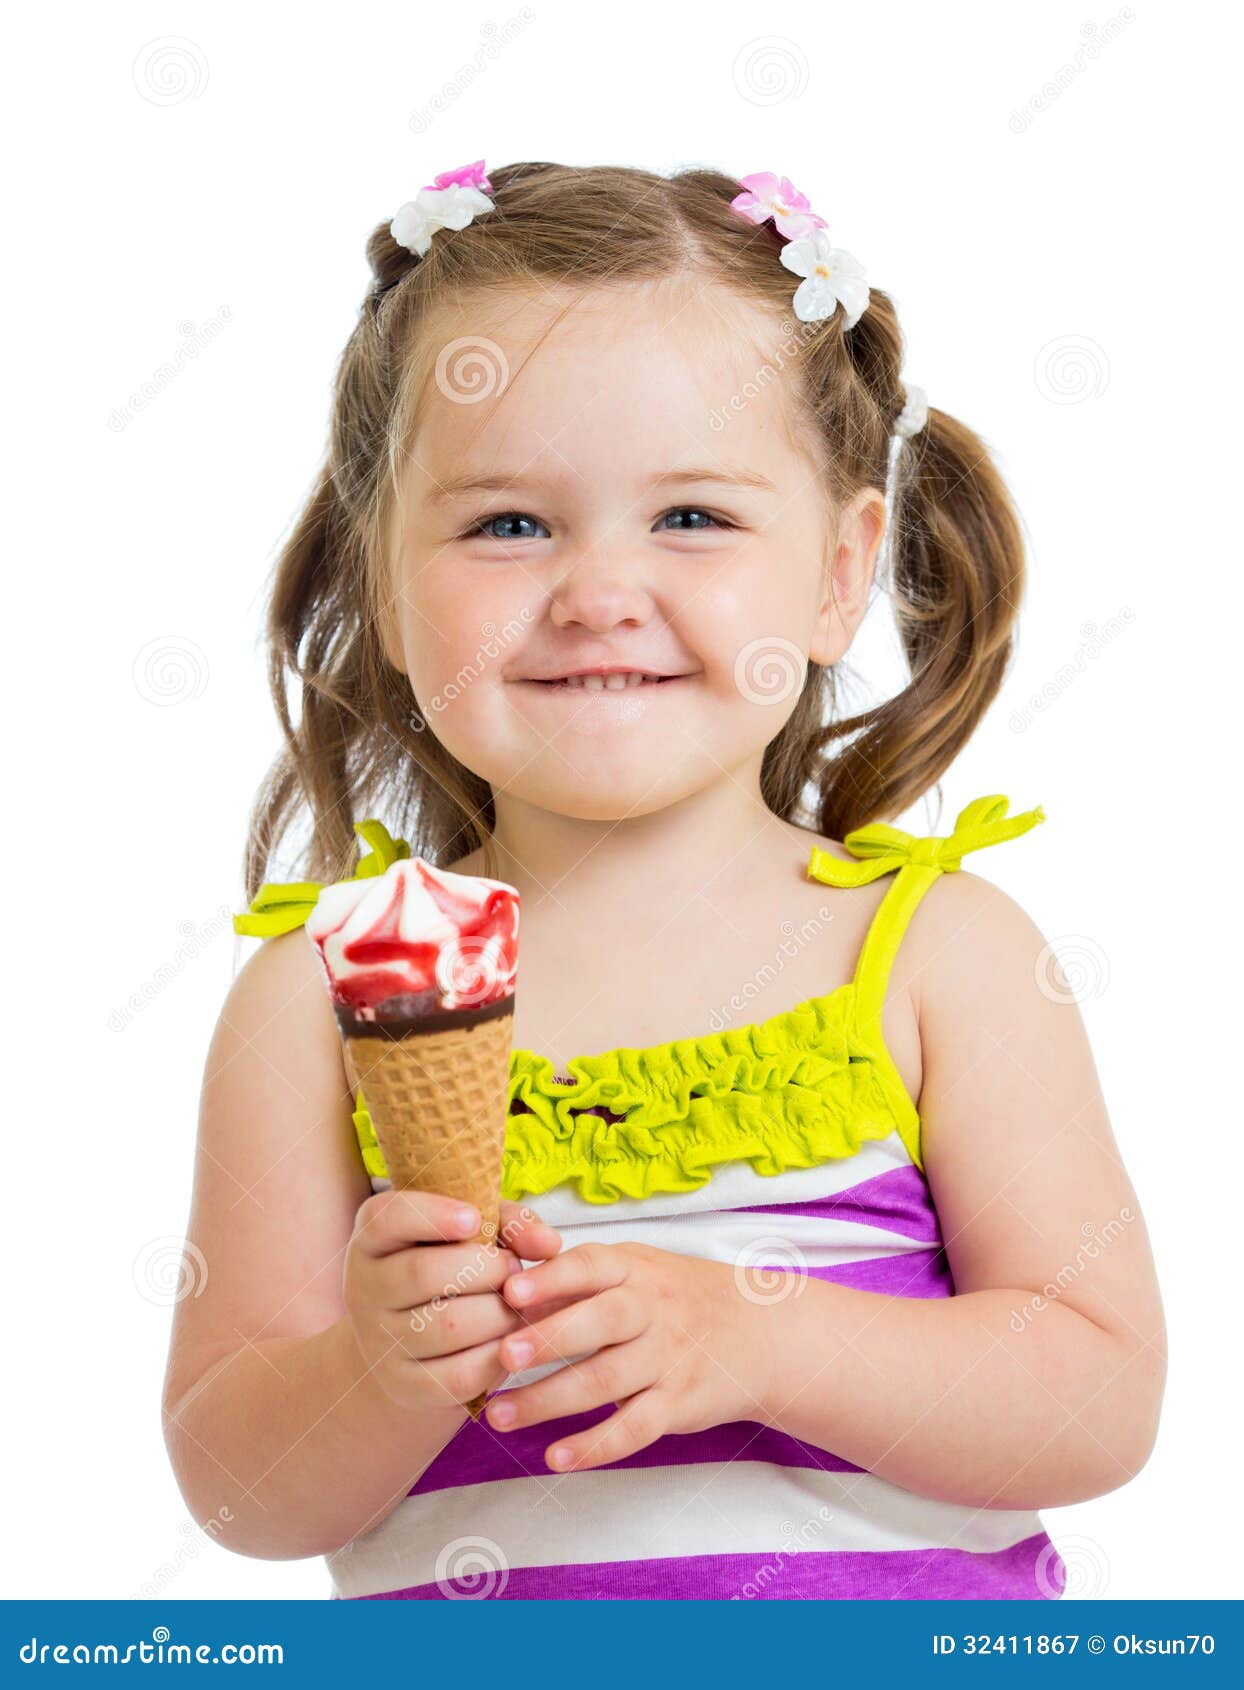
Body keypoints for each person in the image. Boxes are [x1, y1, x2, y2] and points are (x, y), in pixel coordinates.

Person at [162, 159, 1166, 1600]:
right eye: (509, 524)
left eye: (692, 516)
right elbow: (239, 1486)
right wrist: (377, 1370)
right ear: (383, 580)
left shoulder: (944, 957)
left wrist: (762, 1338)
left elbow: (1098, 1399)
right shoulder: (321, 1002)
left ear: (839, 571)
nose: (597, 591)